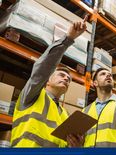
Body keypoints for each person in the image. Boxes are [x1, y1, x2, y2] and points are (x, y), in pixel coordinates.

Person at [10, 16, 88, 147]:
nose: (66, 79)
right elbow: (43, 68)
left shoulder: (65, 115)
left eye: (68, 79)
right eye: (61, 75)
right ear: (47, 81)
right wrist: (68, 38)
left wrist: (75, 147)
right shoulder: (32, 95)